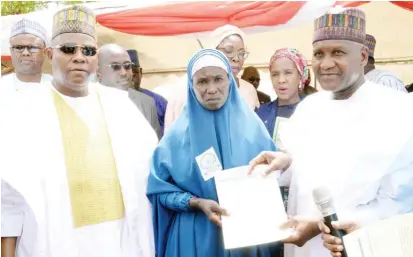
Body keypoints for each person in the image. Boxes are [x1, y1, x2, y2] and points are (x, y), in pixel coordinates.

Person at [249, 7, 413, 257]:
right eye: (318, 54)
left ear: (362, 56)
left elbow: (401, 201)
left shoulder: (397, 111)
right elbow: (317, 167)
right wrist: (287, 162)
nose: (325, 64)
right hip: (301, 247)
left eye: (338, 52)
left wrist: (322, 225)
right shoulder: (309, 108)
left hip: (357, 245)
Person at [0, 6, 157, 257]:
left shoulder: (121, 107)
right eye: (68, 49)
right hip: (55, 244)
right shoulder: (25, 112)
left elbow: (155, 171)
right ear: (50, 53)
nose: (79, 57)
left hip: (119, 243)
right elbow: (8, 202)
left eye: (88, 50)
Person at [147, 49, 286, 257]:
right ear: (191, 86)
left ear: (230, 80)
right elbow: (159, 192)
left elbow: (274, 179)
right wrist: (194, 202)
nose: (211, 89)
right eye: (202, 82)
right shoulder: (176, 138)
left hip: (248, 236)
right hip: (195, 238)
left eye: (218, 79)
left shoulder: (254, 129)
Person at [164, 24, 260, 132]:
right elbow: (172, 135)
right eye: (228, 51)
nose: (236, 58)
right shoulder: (184, 90)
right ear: (212, 50)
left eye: (241, 53)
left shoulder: (248, 90)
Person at [98, 44, 161, 139]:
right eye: (115, 67)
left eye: (127, 66)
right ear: (99, 72)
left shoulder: (146, 103)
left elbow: (156, 147)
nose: (123, 73)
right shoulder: (89, 103)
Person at [0, 18, 52, 93]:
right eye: (18, 47)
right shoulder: (3, 86)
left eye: (33, 47)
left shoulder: (58, 87)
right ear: (11, 51)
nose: (25, 53)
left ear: (44, 52)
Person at [127, 49, 168, 136]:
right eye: (128, 74)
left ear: (141, 73)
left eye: (135, 73)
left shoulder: (158, 102)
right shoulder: (112, 103)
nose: (132, 79)